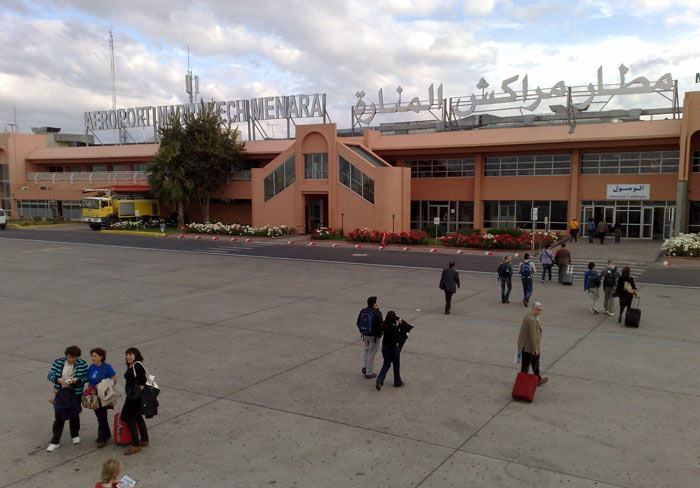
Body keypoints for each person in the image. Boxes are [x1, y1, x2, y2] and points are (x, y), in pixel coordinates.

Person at [46, 345, 89, 452]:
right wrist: (57, 379)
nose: (71, 360)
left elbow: (86, 378)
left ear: (77, 357)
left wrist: (77, 380)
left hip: (75, 393)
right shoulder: (58, 363)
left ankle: (75, 434)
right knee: (59, 417)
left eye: (73, 358)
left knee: (74, 414)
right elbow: (50, 375)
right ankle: (55, 441)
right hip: (61, 393)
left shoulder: (82, 364)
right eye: (69, 357)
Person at [88, 347, 118, 448]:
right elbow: (89, 380)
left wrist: (102, 385)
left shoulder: (107, 367)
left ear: (101, 357)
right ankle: (106, 433)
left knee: (101, 416)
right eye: (92, 356)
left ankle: (101, 438)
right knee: (100, 416)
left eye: (95, 356)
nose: (93, 358)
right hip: (94, 396)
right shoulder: (91, 367)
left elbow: (114, 379)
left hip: (103, 395)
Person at [122, 347, 150, 455]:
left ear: (136, 355)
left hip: (134, 398)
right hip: (132, 396)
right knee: (138, 418)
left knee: (129, 420)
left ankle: (136, 445)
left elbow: (142, 381)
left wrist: (136, 394)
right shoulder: (131, 365)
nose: (128, 356)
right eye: (127, 354)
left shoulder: (137, 365)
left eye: (130, 355)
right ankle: (144, 439)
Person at [375, 311, 412, 390]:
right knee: (396, 365)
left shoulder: (384, 325)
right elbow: (400, 336)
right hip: (394, 349)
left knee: (386, 364)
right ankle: (397, 382)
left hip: (385, 348)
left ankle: (380, 379)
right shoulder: (395, 328)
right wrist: (400, 324)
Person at [517, 302, 548, 385]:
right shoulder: (532, 320)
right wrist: (535, 349)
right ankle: (522, 383)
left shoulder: (528, 316)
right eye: (538, 310)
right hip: (529, 347)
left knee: (534, 363)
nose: (539, 312)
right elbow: (532, 336)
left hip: (525, 345)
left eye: (540, 310)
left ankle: (538, 379)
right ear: (533, 309)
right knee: (526, 366)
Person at [359, 296, 383, 379]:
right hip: (374, 336)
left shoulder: (363, 311)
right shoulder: (377, 312)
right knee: (371, 353)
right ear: (374, 303)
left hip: (365, 334)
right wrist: (380, 334)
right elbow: (380, 325)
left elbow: (358, 322)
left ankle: (364, 366)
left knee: (366, 350)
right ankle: (369, 372)